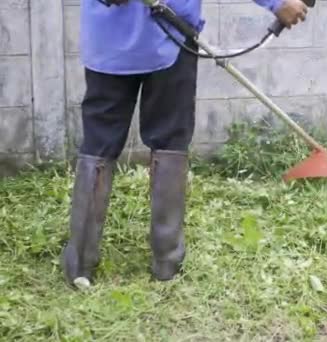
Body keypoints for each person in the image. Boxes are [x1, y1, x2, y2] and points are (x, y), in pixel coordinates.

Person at [61, 0, 307, 288]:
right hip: (160, 40)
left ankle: (82, 264)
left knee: (104, 147)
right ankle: (166, 262)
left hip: (155, 35)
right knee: (165, 144)